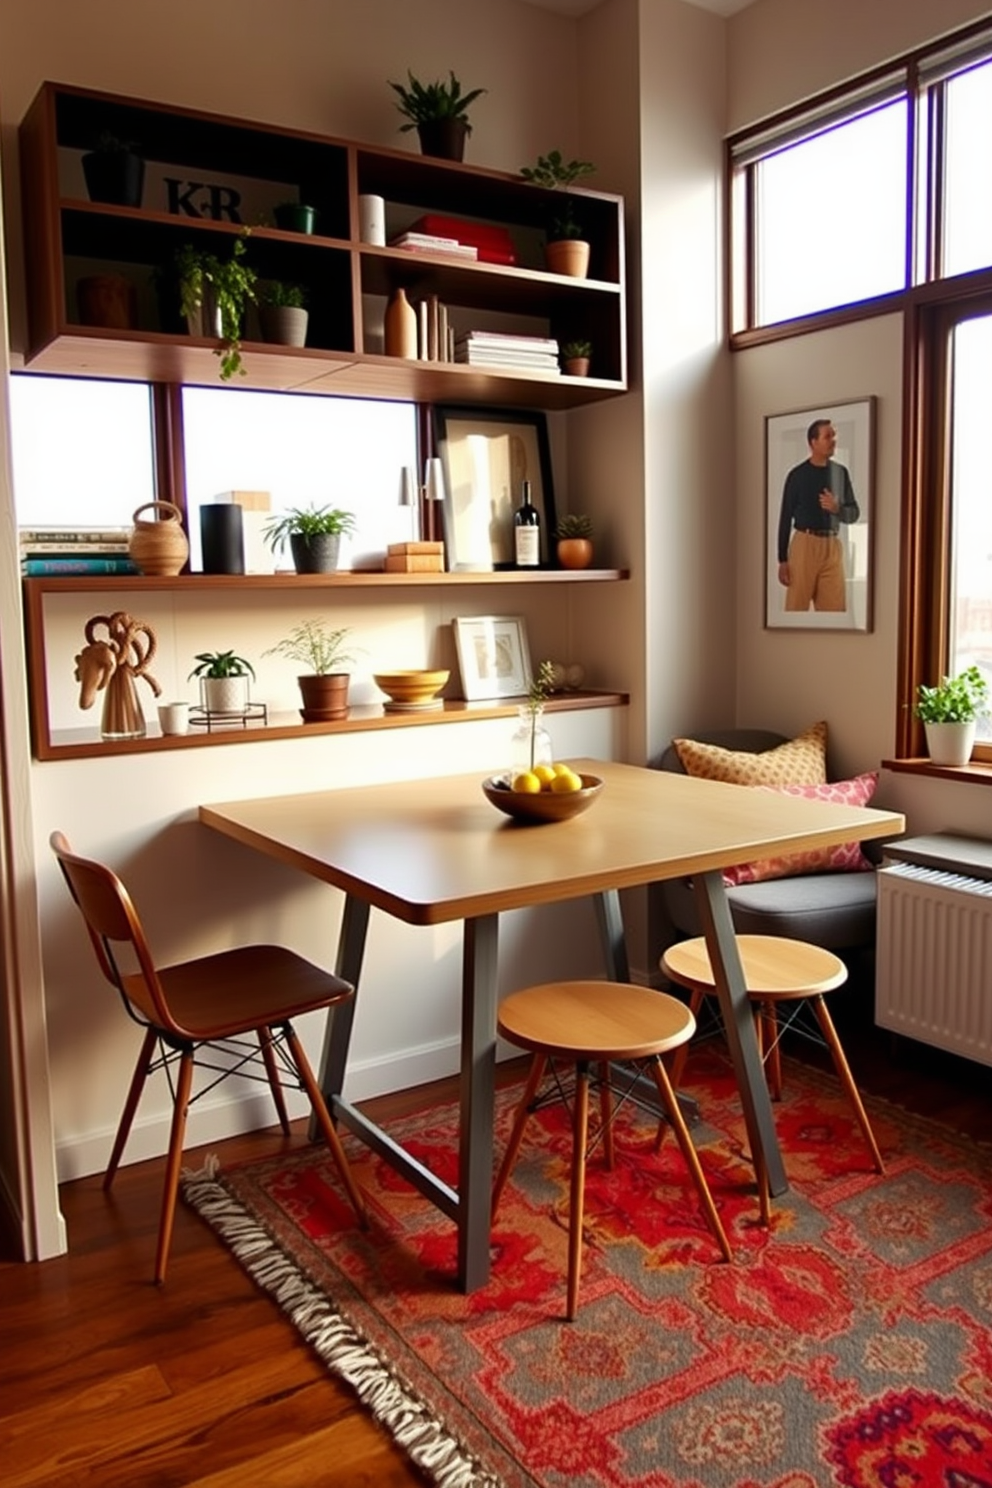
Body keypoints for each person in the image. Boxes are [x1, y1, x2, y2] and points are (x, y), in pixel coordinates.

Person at [777, 418, 860, 612]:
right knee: (796, 609)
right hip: (805, 544)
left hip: (832, 546)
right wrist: (782, 559)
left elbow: (854, 514)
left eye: (834, 436)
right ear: (813, 442)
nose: (833, 440)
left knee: (835, 612)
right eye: (828, 436)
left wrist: (836, 508)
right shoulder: (797, 475)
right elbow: (785, 517)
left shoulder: (840, 473)